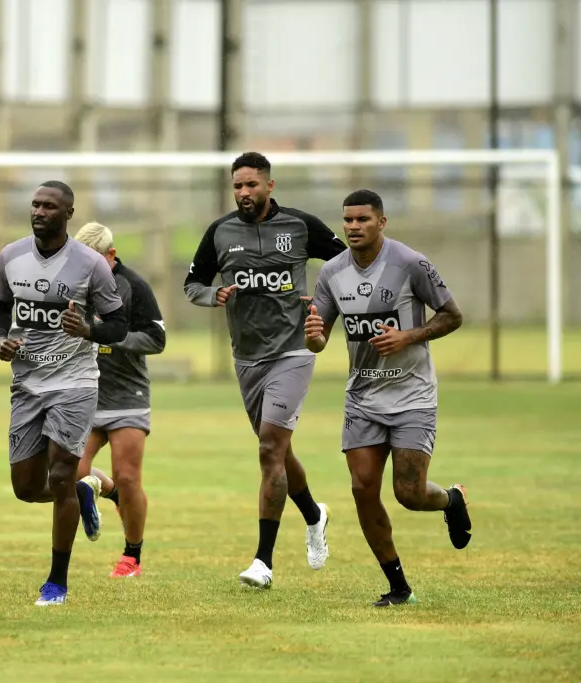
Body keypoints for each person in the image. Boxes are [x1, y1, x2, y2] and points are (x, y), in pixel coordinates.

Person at [183, 151, 346, 589]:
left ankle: (263, 561)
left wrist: (323, 304)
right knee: (278, 450)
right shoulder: (220, 232)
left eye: (251, 185)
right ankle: (315, 515)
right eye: (237, 186)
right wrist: (211, 295)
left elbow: (345, 264)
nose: (244, 193)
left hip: (293, 353)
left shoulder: (299, 225)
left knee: (269, 450)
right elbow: (192, 283)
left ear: (269, 186)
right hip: (247, 358)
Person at [303, 189, 472, 607]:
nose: (353, 227)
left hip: (412, 394)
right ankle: (399, 587)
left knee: (409, 494)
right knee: (362, 489)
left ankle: (451, 500)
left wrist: (409, 336)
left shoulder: (410, 263)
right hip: (362, 398)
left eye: (362, 219)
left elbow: (453, 316)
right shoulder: (331, 272)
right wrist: (314, 337)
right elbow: (319, 337)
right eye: (348, 220)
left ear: (382, 222)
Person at [0, 181, 129, 606]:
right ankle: (85, 490)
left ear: (68, 213)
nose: (39, 211)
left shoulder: (91, 265)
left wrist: (88, 330)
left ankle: (57, 582)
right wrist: (1, 340)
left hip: (75, 383)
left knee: (60, 474)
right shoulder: (10, 256)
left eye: (49, 206)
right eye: (35, 204)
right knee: (26, 487)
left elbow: (118, 325)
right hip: (27, 384)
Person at [73, 222, 166, 578]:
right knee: (71, 471)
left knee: (128, 477)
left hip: (127, 393)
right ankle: (109, 496)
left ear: (111, 255)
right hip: (84, 390)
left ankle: (132, 556)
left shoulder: (134, 286)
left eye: (93, 261)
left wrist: (110, 337)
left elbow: (156, 339)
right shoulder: (74, 285)